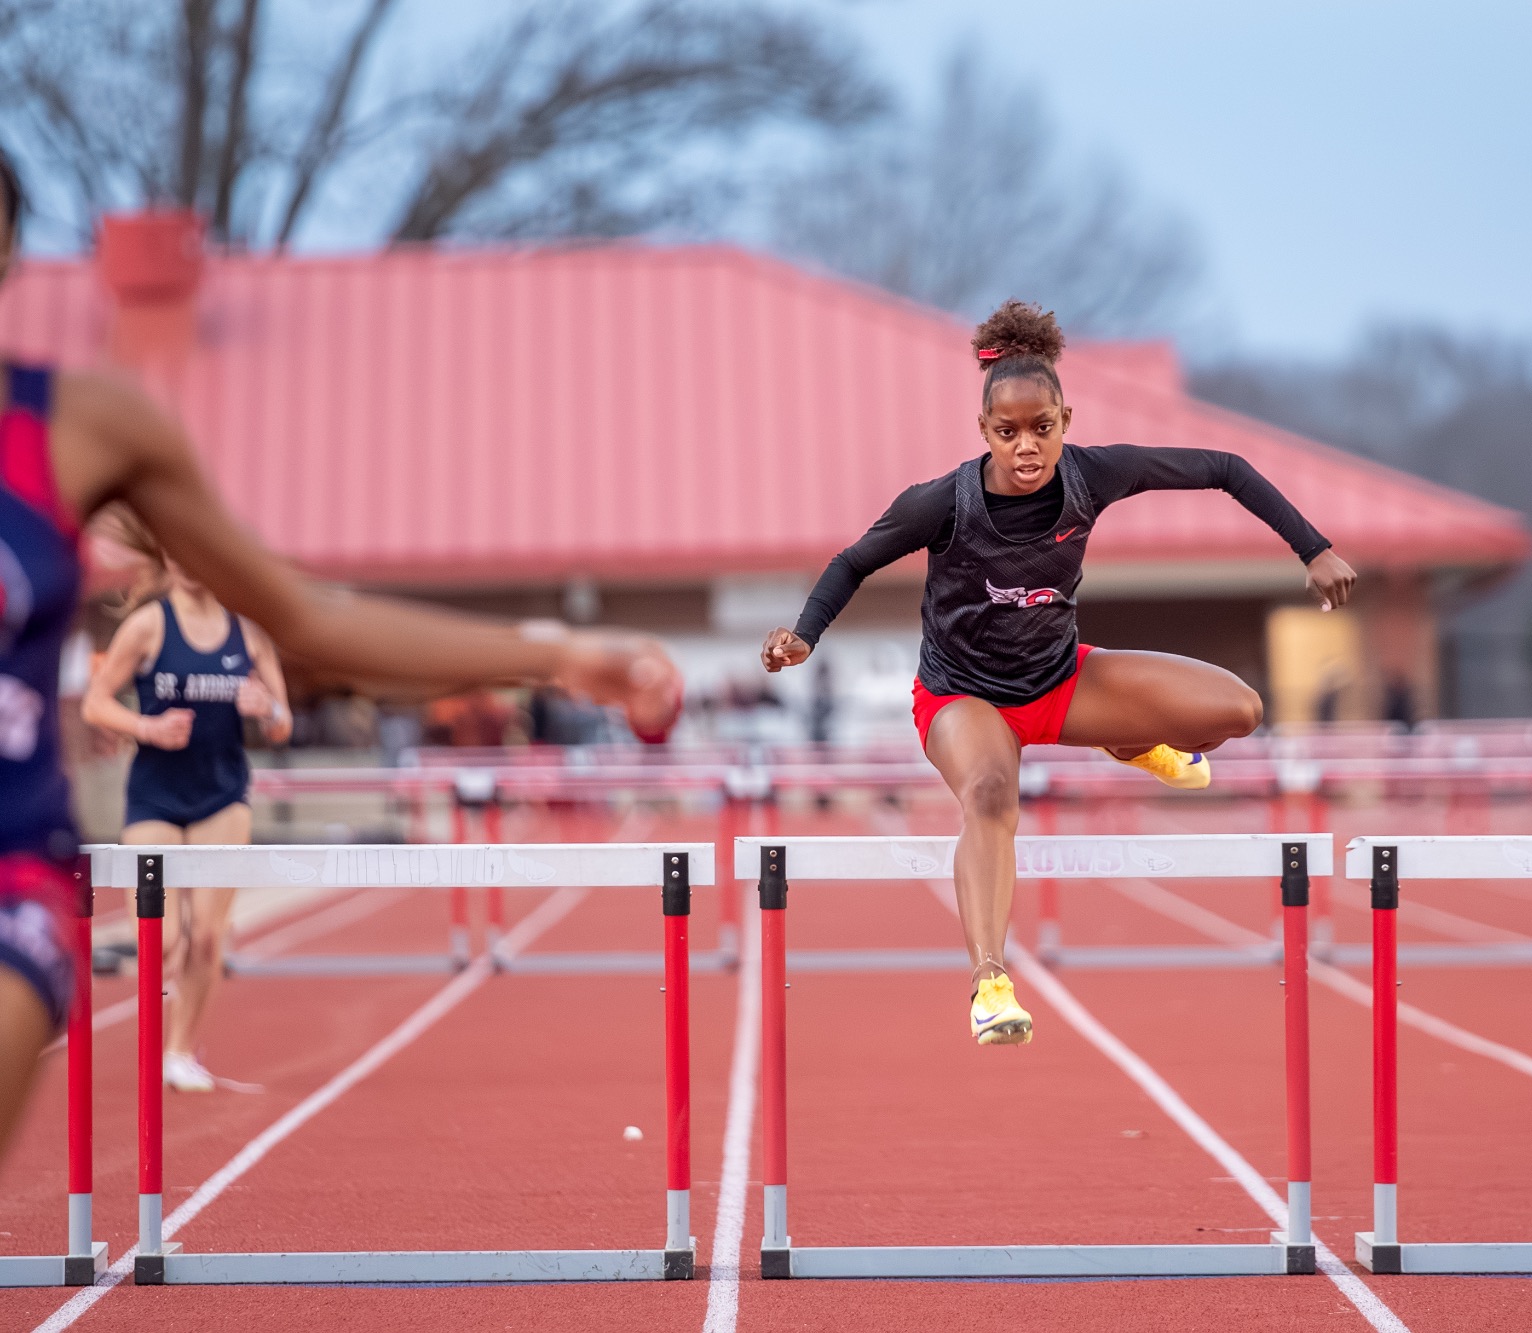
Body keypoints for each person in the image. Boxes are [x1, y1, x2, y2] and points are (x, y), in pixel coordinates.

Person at [0, 146, 681, 1159]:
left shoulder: (87, 426)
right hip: (152, 791)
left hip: (13, 865)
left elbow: (308, 622)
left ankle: (177, 1038)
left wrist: (551, 653)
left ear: (10, 249)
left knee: (188, 938)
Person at [761, 300, 1355, 1046]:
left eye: (1041, 427)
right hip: (963, 696)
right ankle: (989, 981)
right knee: (988, 792)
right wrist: (806, 636)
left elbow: (1224, 469)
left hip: (1060, 681)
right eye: (1007, 433)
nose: (1026, 447)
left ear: (1065, 419)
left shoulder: (1094, 476)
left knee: (1238, 710)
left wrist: (1314, 547)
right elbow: (852, 560)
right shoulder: (943, 502)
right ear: (984, 432)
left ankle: (1129, 740)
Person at [80, 512, 292, 1091]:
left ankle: (179, 1051)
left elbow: (282, 724)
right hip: (155, 795)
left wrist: (264, 708)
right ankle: (158, 1043)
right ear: (166, 559)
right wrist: (146, 730)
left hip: (222, 794)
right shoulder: (149, 626)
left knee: (206, 936)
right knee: (162, 934)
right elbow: (95, 704)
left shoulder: (248, 632)